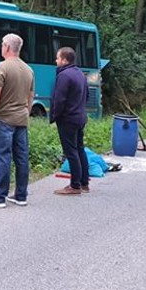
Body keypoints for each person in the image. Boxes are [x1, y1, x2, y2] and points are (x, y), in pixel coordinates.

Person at [0, 33, 34, 208]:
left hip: (2, 119)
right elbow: (30, 97)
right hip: (21, 119)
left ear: (8, 47)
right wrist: (25, 112)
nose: (1, 47)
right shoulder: (28, 70)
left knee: (3, 157)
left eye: (2, 44)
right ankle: (20, 195)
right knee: (22, 158)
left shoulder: (1, 68)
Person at [49, 46, 89, 195]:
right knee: (79, 149)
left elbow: (59, 100)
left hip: (68, 119)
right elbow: (87, 96)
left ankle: (75, 185)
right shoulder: (80, 74)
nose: (56, 60)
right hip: (80, 116)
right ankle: (84, 183)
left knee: (70, 151)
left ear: (64, 60)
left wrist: (55, 116)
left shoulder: (64, 75)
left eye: (58, 58)